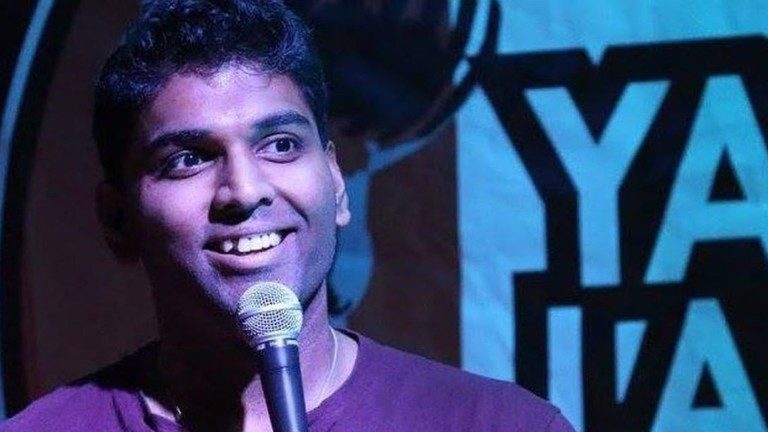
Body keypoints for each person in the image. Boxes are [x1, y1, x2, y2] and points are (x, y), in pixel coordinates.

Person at [1, 1, 575, 430]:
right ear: (117, 221)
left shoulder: (500, 425)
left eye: (279, 145)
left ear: (337, 185)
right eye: (188, 159)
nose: (245, 190)